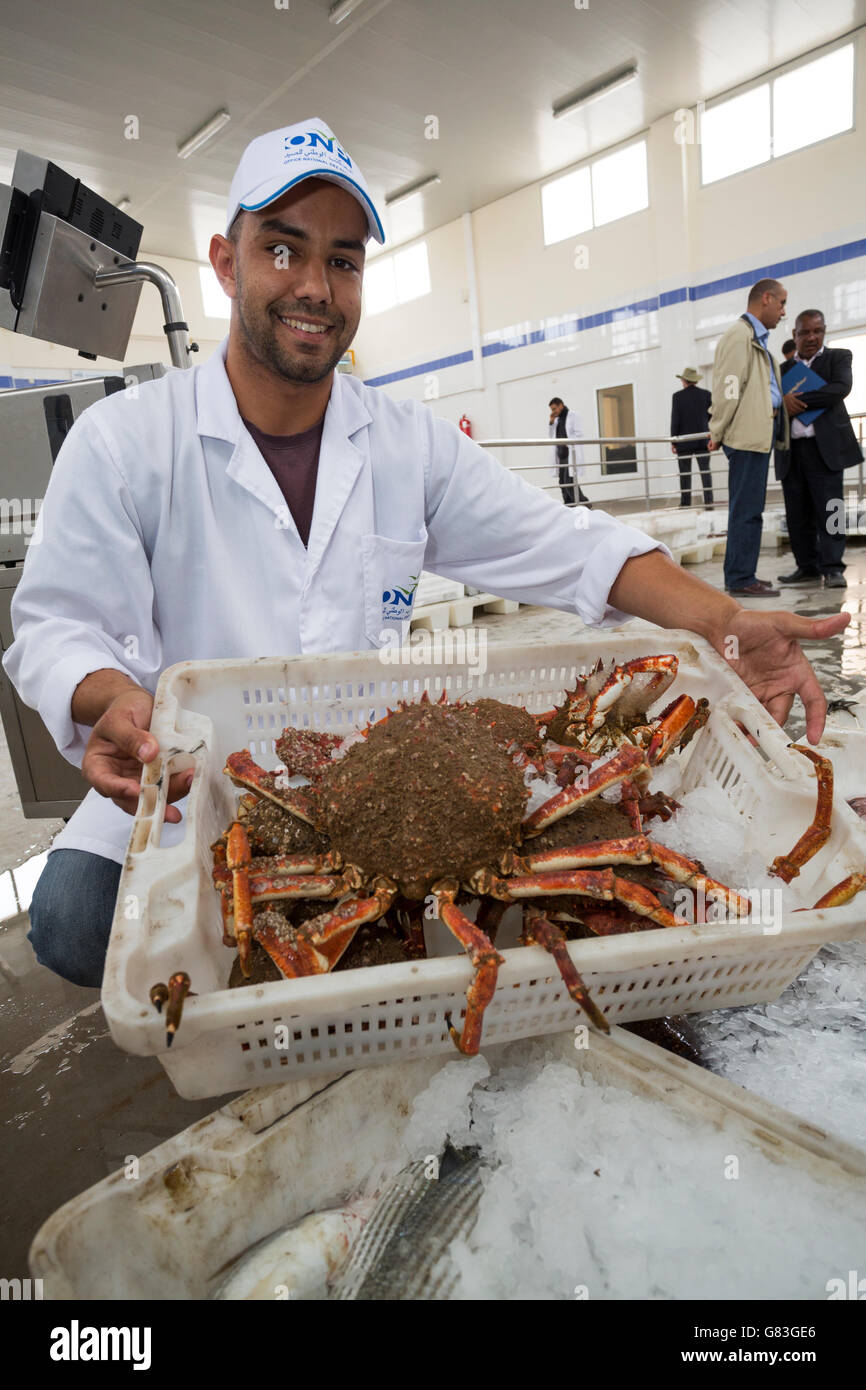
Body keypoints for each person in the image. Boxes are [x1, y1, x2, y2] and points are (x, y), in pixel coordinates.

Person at [3, 120, 848, 988]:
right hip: (201, 780)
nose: (315, 287)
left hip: (386, 778)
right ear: (226, 263)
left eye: (342, 260)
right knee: (75, 917)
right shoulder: (124, 443)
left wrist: (728, 622)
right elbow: (57, 623)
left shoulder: (406, 444)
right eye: (283, 250)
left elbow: (568, 546)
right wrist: (107, 698)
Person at [708, 279, 789, 598]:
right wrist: (717, 431)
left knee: (751, 509)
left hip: (757, 436)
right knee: (745, 509)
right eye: (781, 303)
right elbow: (728, 388)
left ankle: (744, 574)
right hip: (744, 438)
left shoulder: (754, 338)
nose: (783, 311)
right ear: (765, 299)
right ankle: (740, 579)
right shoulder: (739, 335)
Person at [776, 310, 863, 588]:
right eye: (805, 332)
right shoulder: (783, 370)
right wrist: (781, 404)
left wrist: (793, 401)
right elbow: (773, 402)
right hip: (793, 452)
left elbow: (840, 388)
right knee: (797, 513)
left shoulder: (839, 357)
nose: (812, 337)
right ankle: (807, 567)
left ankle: (834, 567)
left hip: (825, 449)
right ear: (795, 335)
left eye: (817, 331)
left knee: (832, 511)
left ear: (824, 331)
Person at [670, 368, 713, 508]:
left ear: (684, 381)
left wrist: (673, 441)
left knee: (685, 473)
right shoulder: (706, 395)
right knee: (705, 471)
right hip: (702, 439)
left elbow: (675, 419)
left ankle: (685, 503)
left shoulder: (677, 397)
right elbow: (712, 417)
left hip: (684, 441)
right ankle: (709, 502)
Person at [548, 397, 590, 506]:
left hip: (570, 452)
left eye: (554, 409)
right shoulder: (556, 419)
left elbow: (579, 433)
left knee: (569, 481)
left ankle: (584, 504)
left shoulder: (573, 415)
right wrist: (551, 421)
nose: (553, 412)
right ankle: (569, 506)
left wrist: (568, 442)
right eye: (552, 409)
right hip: (560, 454)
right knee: (562, 482)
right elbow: (551, 435)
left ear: (561, 405)